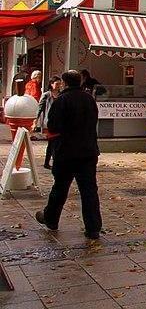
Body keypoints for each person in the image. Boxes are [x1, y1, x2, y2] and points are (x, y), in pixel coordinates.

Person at [35, 70, 102, 239]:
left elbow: (53, 126)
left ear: (65, 83)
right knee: (89, 191)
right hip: (88, 151)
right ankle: (93, 227)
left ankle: (51, 218)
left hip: (67, 152)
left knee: (60, 187)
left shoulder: (62, 100)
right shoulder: (89, 99)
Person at [37, 76, 63, 169]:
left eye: (60, 84)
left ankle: (55, 162)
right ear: (51, 84)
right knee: (52, 143)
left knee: (58, 142)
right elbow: (39, 108)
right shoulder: (47, 95)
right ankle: (47, 162)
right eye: (56, 84)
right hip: (50, 122)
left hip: (60, 122)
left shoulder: (62, 95)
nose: (58, 86)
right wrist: (35, 121)